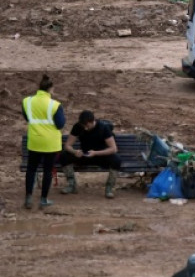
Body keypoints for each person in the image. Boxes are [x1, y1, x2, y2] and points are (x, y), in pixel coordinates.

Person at [22, 74, 65, 209]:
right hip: (50, 144)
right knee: (47, 171)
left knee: (31, 169)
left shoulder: (27, 101)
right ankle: (43, 200)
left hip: (34, 141)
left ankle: (28, 198)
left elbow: (27, 117)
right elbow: (60, 125)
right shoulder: (55, 105)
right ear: (50, 89)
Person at [59, 110, 122, 199]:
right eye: (83, 125)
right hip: (85, 155)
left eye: (87, 125)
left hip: (100, 156)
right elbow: (67, 145)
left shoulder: (103, 128)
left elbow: (113, 149)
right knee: (64, 156)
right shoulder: (78, 127)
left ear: (92, 121)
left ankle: (109, 188)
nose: (85, 128)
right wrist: (75, 152)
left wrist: (96, 153)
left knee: (116, 159)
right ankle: (71, 184)